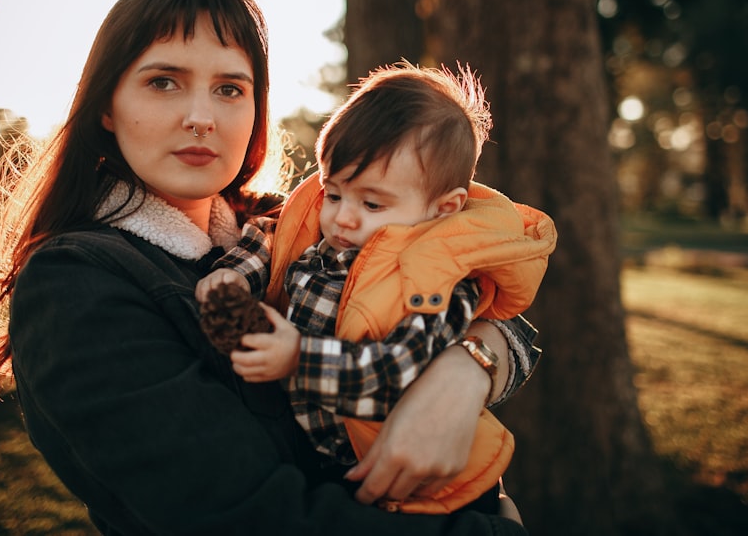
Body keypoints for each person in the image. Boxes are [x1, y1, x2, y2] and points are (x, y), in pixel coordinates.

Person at [0, 0, 543, 536]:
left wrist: (464, 375)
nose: (202, 116)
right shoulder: (75, 284)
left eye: (230, 89)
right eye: (163, 82)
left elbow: (495, 306)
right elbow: (252, 516)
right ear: (107, 105)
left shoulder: (295, 224)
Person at [196, 63, 556, 515]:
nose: (343, 217)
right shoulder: (325, 236)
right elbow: (272, 237)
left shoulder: (441, 280)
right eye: (333, 193)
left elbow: (399, 376)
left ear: (443, 209)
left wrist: (298, 359)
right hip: (328, 466)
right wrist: (234, 273)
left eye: (371, 203)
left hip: (416, 487)